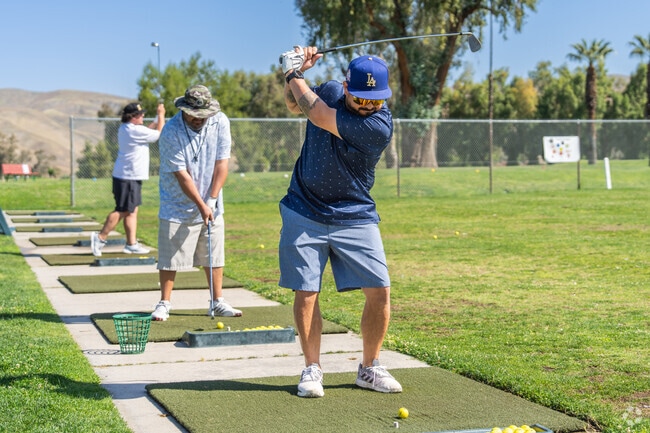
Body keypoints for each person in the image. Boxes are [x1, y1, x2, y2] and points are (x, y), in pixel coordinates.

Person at [278, 46, 402, 398]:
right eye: (361, 99)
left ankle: (370, 366)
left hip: (355, 213)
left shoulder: (378, 125)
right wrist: (297, 73)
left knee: (380, 289)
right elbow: (296, 104)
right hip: (304, 208)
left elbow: (317, 115)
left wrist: (292, 73)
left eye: (374, 101)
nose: (367, 106)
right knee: (307, 293)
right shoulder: (330, 90)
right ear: (346, 87)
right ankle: (312, 368)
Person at [151, 85, 241, 321]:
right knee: (170, 256)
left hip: (212, 200)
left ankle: (217, 301)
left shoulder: (220, 121)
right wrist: (202, 205)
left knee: (213, 253)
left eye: (203, 115)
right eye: (194, 115)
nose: (199, 120)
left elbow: (222, 163)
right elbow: (182, 176)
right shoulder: (171, 131)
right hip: (177, 202)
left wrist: (211, 199)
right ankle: (164, 303)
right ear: (184, 110)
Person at [91, 102, 165, 257]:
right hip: (128, 177)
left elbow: (148, 131)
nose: (143, 116)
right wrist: (162, 115)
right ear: (132, 117)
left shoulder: (129, 128)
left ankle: (131, 244)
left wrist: (158, 118)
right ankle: (100, 237)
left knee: (132, 211)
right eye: (140, 114)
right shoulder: (132, 130)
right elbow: (158, 134)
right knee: (123, 210)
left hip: (129, 176)